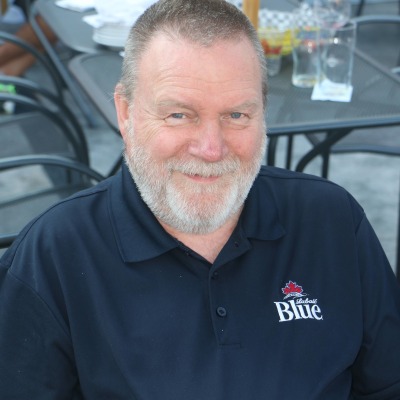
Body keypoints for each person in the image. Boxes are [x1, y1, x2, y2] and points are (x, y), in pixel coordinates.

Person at [0, 0, 400, 398]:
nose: (211, 149)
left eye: (236, 115)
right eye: (179, 114)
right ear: (125, 113)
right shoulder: (54, 256)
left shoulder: (333, 222)